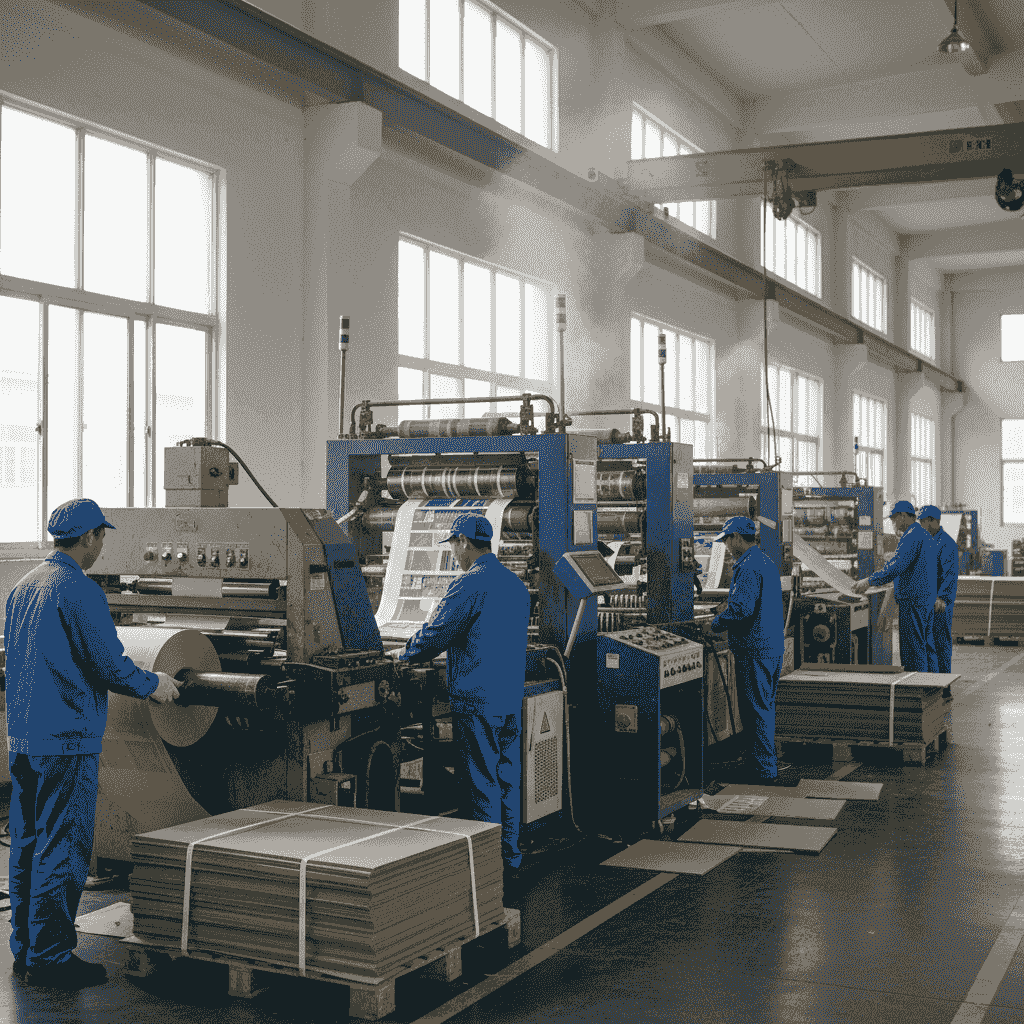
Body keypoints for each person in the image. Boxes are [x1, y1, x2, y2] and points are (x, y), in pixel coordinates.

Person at [3, 499, 180, 990]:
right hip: (66, 741)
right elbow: (108, 664)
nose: (102, 545)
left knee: (28, 844)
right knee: (64, 847)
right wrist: (154, 685)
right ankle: (54, 957)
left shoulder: (22, 588)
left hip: (23, 738)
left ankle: (27, 948)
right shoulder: (79, 591)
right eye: (101, 536)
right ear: (87, 538)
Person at [396, 513, 530, 892]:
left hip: (478, 700)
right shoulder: (515, 585)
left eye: (454, 545)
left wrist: (403, 656)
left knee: (482, 782)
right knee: (507, 779)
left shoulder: (469, 585)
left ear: (464, 542)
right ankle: (510, 856)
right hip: (508, 698)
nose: (454, 553)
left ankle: (484, 869)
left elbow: (436, 633)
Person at [704, 516, 785, 784]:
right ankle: (762, 763)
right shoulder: (764, 562)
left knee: (755, 711)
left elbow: (742, 610)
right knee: (764, 707)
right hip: (769, 646)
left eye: (727, 540)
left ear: (737, 538)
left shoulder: (748, 566)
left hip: (755, 649)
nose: (726, 546)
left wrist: (714, 624)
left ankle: (762, 770)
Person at [852, 500, 937, 672]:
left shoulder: (912, 536)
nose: (893, 523)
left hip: (913, 601)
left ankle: (916, 689)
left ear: (904, 516)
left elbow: (897, 566)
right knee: (923, 645)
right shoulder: (922, 534)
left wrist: (869, 581)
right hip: (923, 598)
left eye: (894, 519)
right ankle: (929, 687)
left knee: (913, 648)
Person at [919, 505, 958, 673]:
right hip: (925, 602)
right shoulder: (926, 541)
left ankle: (944, 684)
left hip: (940, 604)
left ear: (933, 521)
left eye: (923, 521)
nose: (921, 525)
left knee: (941, 643)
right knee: (926, 644)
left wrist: (942, 597)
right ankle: (931, 683)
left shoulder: (947, 543)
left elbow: (950, 574)